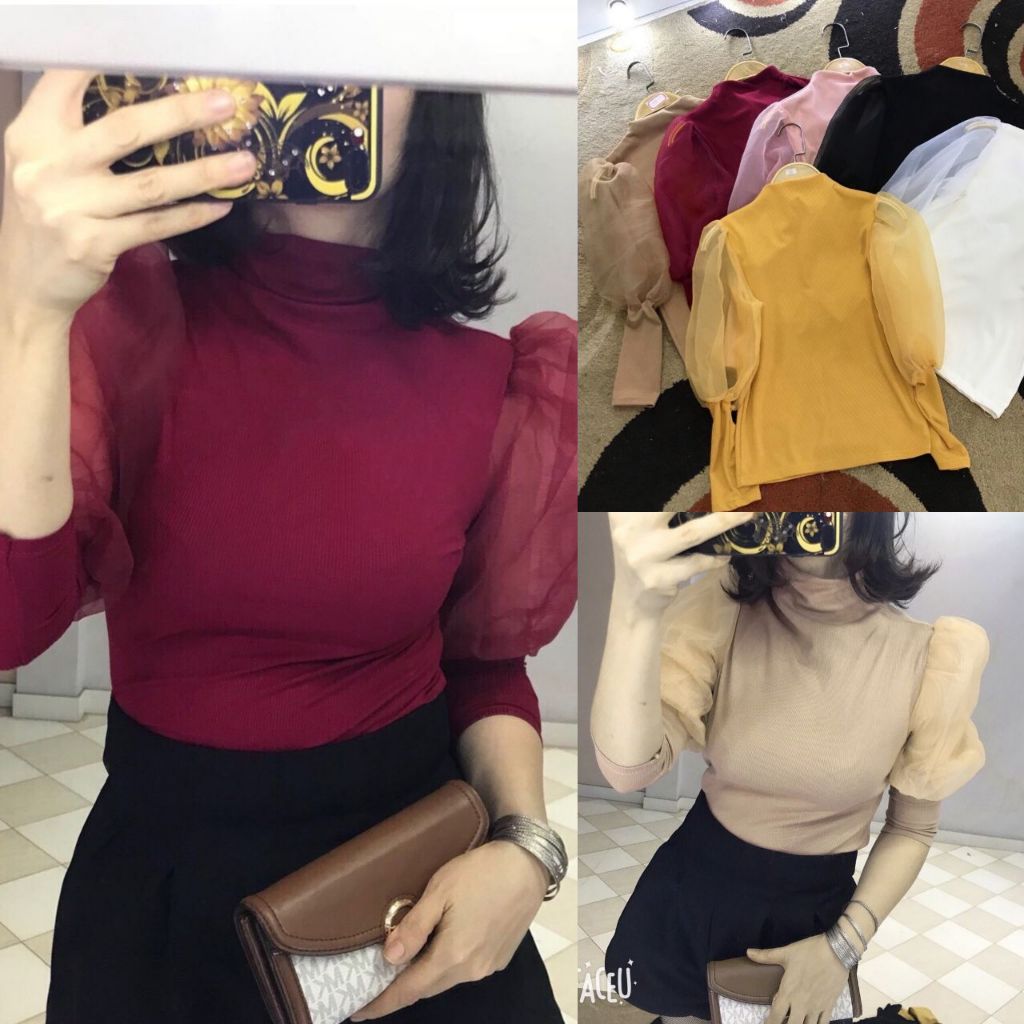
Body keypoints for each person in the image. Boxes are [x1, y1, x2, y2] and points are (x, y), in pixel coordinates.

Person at [0, 69, 576, 1023]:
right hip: (165, 896)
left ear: (440, 84)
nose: (311, 72)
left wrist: (525, 849)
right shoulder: (114, 316)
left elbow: (485, 664)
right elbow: (13, 626)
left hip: (413, 886)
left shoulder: (497, 382)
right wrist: (26, 311)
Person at [591, 512, 988, 1024]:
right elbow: (629, 771)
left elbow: (912, 827)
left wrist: (842, 947)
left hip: (816, 925)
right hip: (691, 890)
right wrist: (634, 605)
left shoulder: (930, 658)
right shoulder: (723, 607)